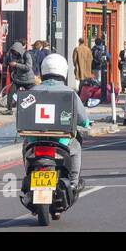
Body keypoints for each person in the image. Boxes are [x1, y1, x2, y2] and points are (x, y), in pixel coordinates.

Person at [25, 53, 91, 192]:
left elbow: (23, 114)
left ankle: (28, 175)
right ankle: (74, 182)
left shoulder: (32, 91)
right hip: (61, 142)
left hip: (35, 141)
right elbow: (83, 119)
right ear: (63, 72)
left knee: (25, 146)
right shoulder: (70, 93)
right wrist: (86, 124)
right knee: (76, 146)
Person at [3, 41, 35, 115]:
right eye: (13, 51)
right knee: (11, 92)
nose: (14, 53)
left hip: (28, 80)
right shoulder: (16, 56)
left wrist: (16, 64)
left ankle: (31, 109)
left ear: (19, 49)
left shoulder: (26, 55)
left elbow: (28, 67)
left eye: (15, 51)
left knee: (32, 95)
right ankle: (9, 109)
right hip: (18, 79)